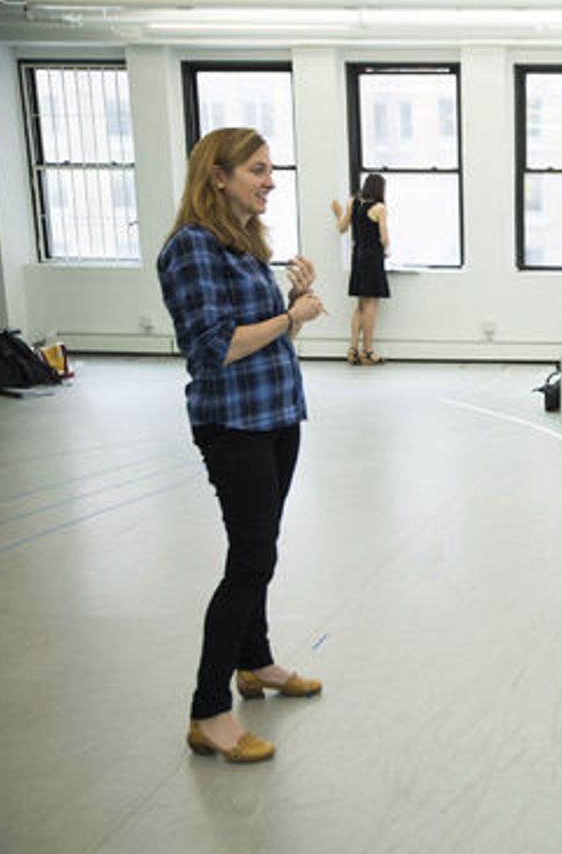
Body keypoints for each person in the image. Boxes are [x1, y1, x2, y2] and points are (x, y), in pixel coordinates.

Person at [158, 127, 326, 764]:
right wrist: (292, 318)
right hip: (234, 425)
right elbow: (214, 348)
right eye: (257, 170)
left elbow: (256, 332)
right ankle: (208, 712)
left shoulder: (244, 242)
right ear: (218, 176)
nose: (270, 181)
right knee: (250, 559)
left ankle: (253, 663)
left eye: (271, 169)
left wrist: (291, 296)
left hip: (276, 415)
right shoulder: (191, 248)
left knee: (264, 548)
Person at [330, 174, 390, 366]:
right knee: (371, 305)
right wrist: (387, 251)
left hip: (357, 256)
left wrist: (338, 213)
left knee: (360, 306)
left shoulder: (352, 203)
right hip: (372, 257)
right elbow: (384, 239)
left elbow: (342, 228)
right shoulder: (380, 208)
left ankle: (353, 349)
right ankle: (368, 351)